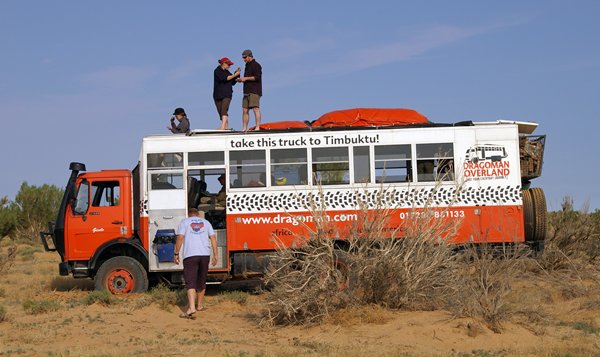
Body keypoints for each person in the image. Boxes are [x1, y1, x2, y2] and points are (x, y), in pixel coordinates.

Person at [174, 208, 218, 318]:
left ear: (189, 215)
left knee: (190, 281)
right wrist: (216, 255)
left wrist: (176, 253)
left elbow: (180, 237)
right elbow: (213, 238)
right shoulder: (206, 223)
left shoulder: (184, 222)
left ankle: (192, 308)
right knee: (201, 280)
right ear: (198, 215)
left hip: (190, 255)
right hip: (205, 254)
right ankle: (200, 306)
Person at [238, 49, 262, 131]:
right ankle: (244, 128)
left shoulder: (256, 65)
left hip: (254, 90)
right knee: (245, 110)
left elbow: (257, 77)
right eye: (243, 58)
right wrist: (241, 80)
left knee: (255, 108)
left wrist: (245, 78)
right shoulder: (247, 66)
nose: (244, 59)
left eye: (245, 57)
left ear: (249, 56)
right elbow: (247, 79)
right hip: (246, 91)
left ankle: (257, 127)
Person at [213, 57, 241, 130]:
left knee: (224, 110)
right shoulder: (217, 71)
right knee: (220, 112)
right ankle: (226, 126)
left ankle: (223, 127)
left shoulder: (227, 72)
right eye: (228, 64)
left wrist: (236, 74)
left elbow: (232, 82)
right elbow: (225, 78)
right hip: (218, 95)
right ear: (223, 64)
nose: (229, 66)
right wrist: (235, 75)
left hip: (227, 94)